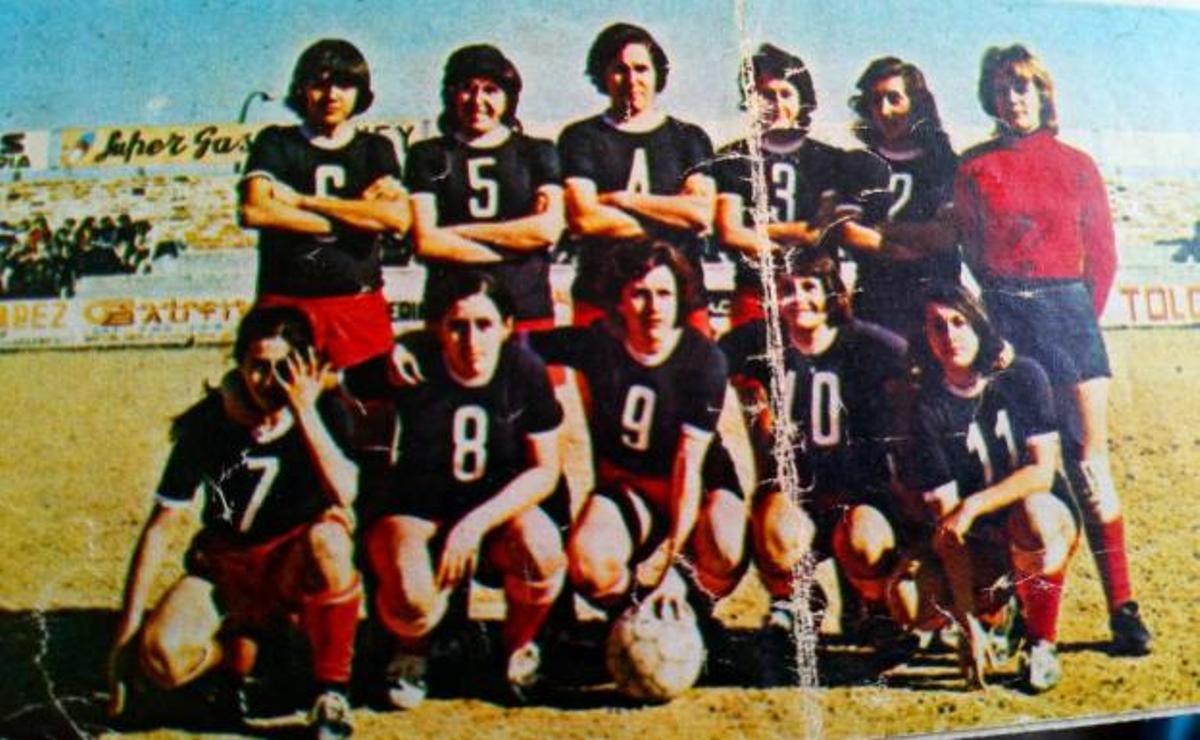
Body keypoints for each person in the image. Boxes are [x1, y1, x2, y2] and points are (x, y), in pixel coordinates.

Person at [955, 44, 1151, 655]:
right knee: (1019, 466)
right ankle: (1014, 604)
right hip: (1005, 315)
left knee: (1089, 467)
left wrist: (1073, 326)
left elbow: (1105, 256)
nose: (1013, 96)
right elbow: (968, 248)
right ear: (989, 96)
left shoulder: (1077, 164)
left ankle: (1124, 608)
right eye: (1002, 86)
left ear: (1042, 92)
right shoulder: (974, 167)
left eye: (1023, 85)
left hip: (1068, 319)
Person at [107, 307, 362, 737]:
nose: (270, 380)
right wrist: (125, 638)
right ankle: (236, 656)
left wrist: (304, 411)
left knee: (330, 540)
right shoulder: (211, 421)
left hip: (292, 564)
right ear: (239, 365)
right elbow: (160, 527)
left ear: (304, 365)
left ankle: (332, 691)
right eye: (257, 367)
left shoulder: (327, 413)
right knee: (160, 659)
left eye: (283, 367)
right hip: (228, 563)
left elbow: (346, 493)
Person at [363, 272, 566, 709]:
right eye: (457, 325)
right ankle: (412, 650)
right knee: (411, 600)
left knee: (543, 550)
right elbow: (328, 382)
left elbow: (546, 470)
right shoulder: (414, 361)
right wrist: (390, 353)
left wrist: (475, 524)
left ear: (508, 327)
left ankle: (516, 646)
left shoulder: (524, 370)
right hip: (421, 513)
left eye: (484, 325)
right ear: (438, 327)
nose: (471, 339)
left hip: (491, 515)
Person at [527, 239, 746, 633]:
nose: (653, 307)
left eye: (664, 293)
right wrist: (419, 352)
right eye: (640, 295)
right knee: (589, 567)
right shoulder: (599, 343)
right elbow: (517, 345)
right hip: (631, 486)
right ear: (620, 301)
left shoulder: (702, 359)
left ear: (681, 298)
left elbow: (687, 466)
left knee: (726, 548)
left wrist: (668, 562)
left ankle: (694, 609)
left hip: (697, 484)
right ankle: (634, 616)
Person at [720, 248, 909, 682]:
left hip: (855, 498)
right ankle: (799, 603)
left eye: (809, 287)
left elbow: (918, 366)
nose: (798, 299)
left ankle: (878, 611)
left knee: (866, 542)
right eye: (786, 290)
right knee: (771, 522)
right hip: (795, 497)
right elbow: (706, 357)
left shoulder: (868, 344)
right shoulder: (757, 343)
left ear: (831, 294)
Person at [899, 282, 1080, 692]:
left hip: (1043, 522)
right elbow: (949, 527)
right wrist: (965, 623)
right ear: (925, 338)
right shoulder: (927, 407)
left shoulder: (1022, 377)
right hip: (982, 540)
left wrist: (973, 505)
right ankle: (995, 615)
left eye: (959, 323)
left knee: (1032, 514)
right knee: (909, 599)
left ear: (979, 324)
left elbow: (1042, 472)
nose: (950, 336)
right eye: (937, 327)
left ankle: (1040, 643)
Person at [238, 38, 409, 398]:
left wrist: (301, 202)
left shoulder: (376, 148)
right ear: (301, 89)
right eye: (320, 83)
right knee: (278, 410)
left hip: (357, 308)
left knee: (368, 413)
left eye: (344, 84)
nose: (332, 94)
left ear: (360, 92)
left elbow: (395, 219)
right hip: (285, 307)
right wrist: (355, 217)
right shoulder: (276, 142)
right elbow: (256, 210)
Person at [712, 43, 892, 329]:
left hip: (818, 290)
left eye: (785, 94)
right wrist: (796, 234)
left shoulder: (832, 160)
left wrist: (766, 235)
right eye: (765, 95)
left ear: (802, 101)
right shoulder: (731, 158)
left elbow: (830, 229)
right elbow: (730, 231)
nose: (776, 104)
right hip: (756, 290)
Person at [557, 23, 717, 333]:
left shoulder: (688, 138)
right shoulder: (581, 137)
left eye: (642, 69)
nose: (632, 80)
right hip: (600, 298)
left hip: (680, 297)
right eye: (620, 69)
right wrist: (670, 217)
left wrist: (620, 199)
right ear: (602, 75)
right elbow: (584, 218)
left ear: (658, 73)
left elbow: (699, 213)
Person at [404, 44, 564, 334]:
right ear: (451, 94)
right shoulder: (428, 154)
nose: (477, 100)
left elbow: (546, 231)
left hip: (526, 310)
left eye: (490, 90)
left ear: (508, 97)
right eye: (468, 88)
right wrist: (518, 249)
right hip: (452, 314)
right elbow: (426, 242)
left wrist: (455, 232)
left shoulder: (537, 151)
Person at [843, 56, 961, 339]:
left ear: (917, 103)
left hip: (937, 297)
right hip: (876, 299)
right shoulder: (856, 164)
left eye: (894, 98)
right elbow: (844, 229)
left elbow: (946, 234)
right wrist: (899, 248)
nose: (885, 110)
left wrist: (879, 230)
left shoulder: (944, 163)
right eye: (875, 101)